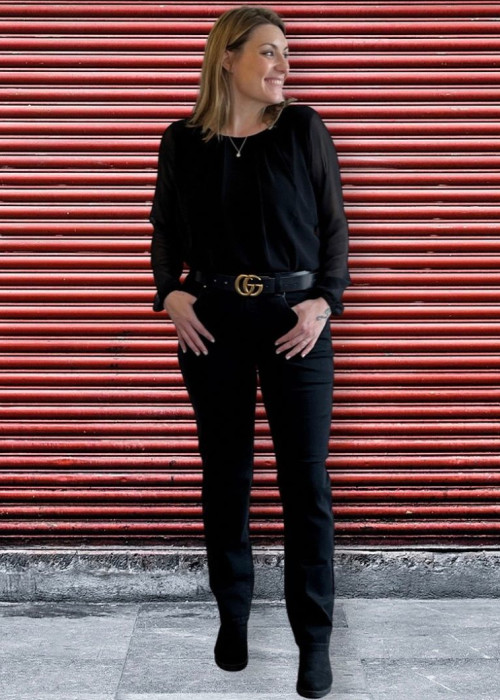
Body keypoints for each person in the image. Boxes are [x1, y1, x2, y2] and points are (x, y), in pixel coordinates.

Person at [149, 6, 350, 698]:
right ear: (227, 58)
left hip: (296, 323)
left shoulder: (302, 129)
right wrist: (168, 296)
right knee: (226, 479)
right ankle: (233, 615)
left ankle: (313, 641)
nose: (284, 67)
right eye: (269, 52)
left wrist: (323, 304)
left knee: (307, 487)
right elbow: (164, 230)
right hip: (212, 323)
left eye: (286, 54)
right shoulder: (182, 141)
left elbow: (334, 230)